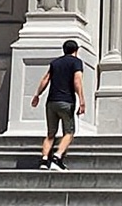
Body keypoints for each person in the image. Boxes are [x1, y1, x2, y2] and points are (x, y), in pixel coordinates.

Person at [30, 38, 87, 171]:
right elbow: (77, 81)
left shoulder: (55, 62)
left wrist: (37, 95)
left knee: (50, 134)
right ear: (76, 51)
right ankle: (57, 157)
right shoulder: (76, 62)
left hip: (51, 102)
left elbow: (45, 79)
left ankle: (44, 160)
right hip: (66, 101)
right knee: (69, 132)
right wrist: (82, 100)